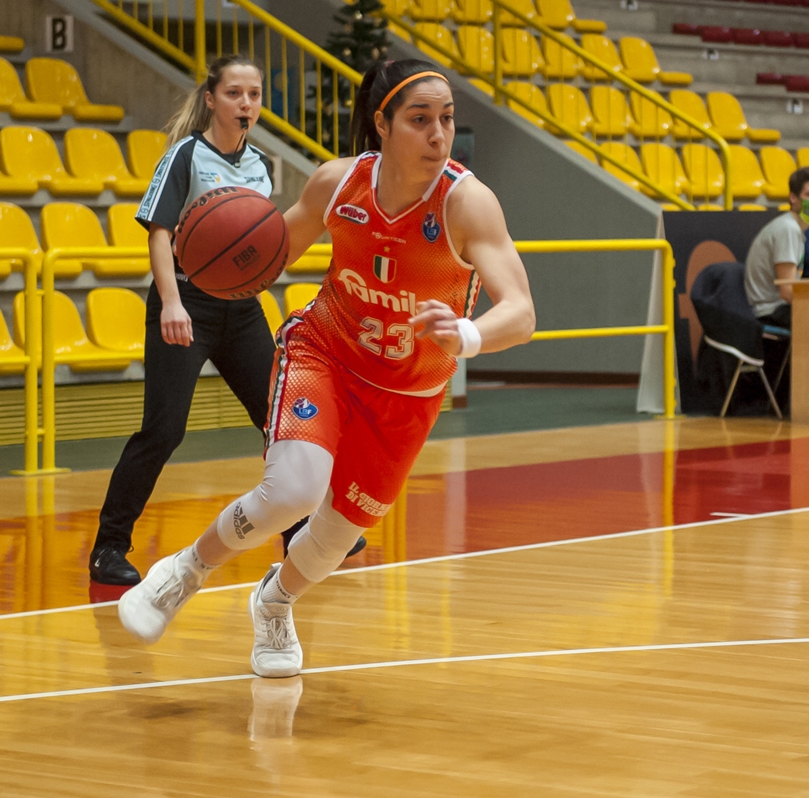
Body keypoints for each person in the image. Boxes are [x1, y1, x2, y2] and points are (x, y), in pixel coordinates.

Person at [116, 59, 536, 678]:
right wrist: (205, 258)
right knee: (294, 490)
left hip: (408, 392)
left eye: (446, 119)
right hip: (325, 354)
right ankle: (184, 570)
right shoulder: (338, 186)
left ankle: (274, 602)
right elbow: (264, 253)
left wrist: (468, 332)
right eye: (419, 120)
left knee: (336, 538)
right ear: (383, 125)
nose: (438, 135)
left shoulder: (467, 203)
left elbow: (522, 312)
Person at [87, 55, 364, 587]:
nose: (247, 104)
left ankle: (299, 530)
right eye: (235, 94)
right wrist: (171, 302)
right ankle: (108, 547)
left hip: (240, 307)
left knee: (279, 419)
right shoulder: (186, 155)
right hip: (185, 301)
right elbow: (160, 233)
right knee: (163, 430)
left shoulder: (259, 164)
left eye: (254, 95)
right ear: (211, 99)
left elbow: (254, 244)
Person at [743, 166, 809, 329]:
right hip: (770, 311)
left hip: (777, 308)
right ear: (793, 198)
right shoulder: (788, 229)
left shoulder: (795, 228)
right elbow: (787, 291)